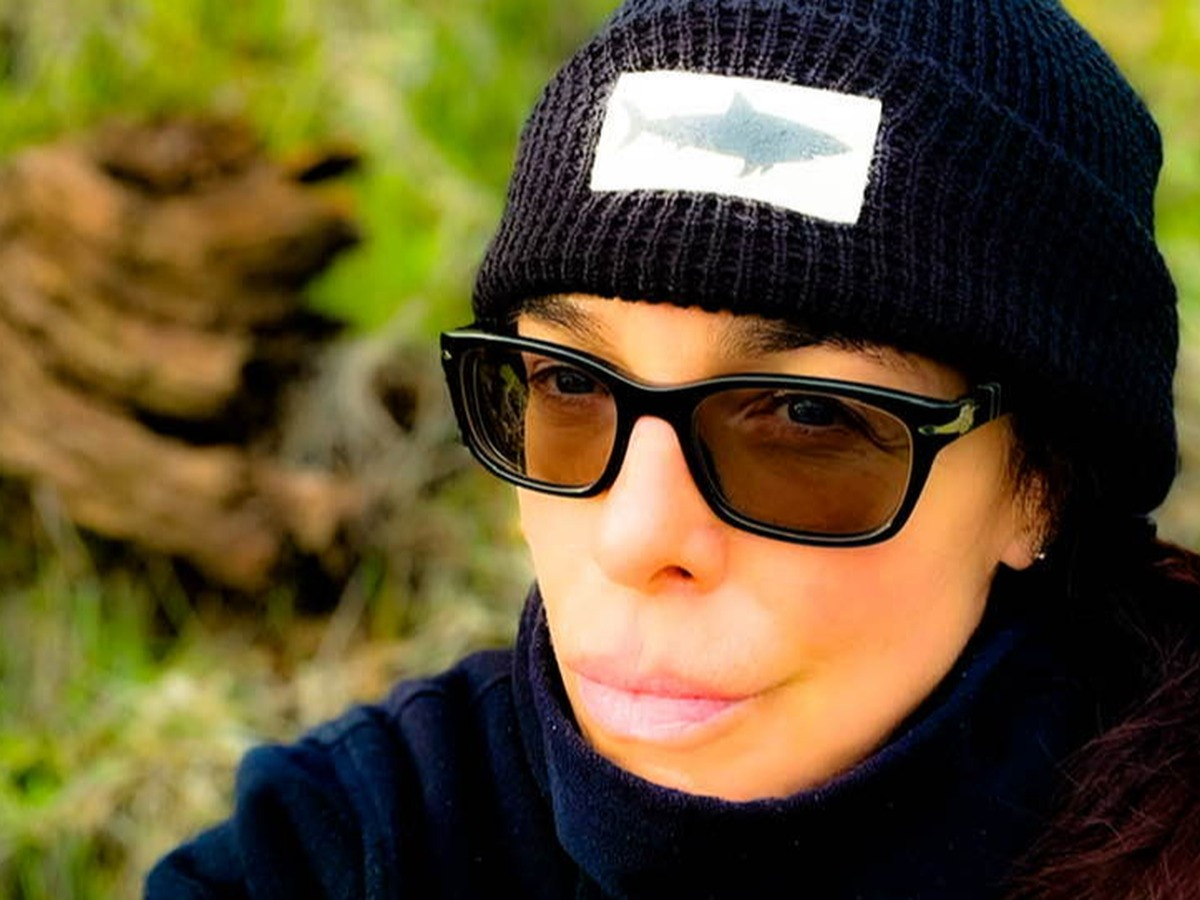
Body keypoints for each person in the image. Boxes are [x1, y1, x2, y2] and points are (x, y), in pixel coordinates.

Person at [146, 0, 1200, 897]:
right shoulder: (351, 844)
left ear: (1042, 486)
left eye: (807, 417)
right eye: (570, 385)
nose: (635, 538)